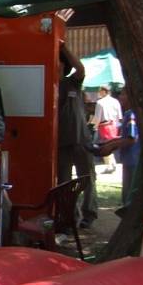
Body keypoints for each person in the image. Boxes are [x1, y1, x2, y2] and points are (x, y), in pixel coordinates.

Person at [57, 41, 97, 229]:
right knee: (64, 182)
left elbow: (80, 68)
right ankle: (69, 217)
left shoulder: (73, 82)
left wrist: (63, 48)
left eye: (58, 62)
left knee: (87, 177)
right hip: (60, 143)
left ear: (63, 65)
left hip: (82, 139)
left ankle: (89, 214)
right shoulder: (49, 86)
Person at [98, 86, 139, 206]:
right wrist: (110, 143)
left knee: (129, 195)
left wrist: (112, 146)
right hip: (129, 160)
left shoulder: (132, 114)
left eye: (123, 94)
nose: (120, 97)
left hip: (133, 160)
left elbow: (131, 139)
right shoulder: (128, 113)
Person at [92, 84, 122, 174]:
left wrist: (94, 126)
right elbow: (119, 115)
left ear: (104, 91)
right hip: (114, 125)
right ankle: (112, 164)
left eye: (100, 91)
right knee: (111, 144)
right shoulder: (116, 101)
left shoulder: (100, 102)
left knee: (104, 145)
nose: (99, 93)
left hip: (104, 126)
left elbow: (97, 117)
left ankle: (110, 165)